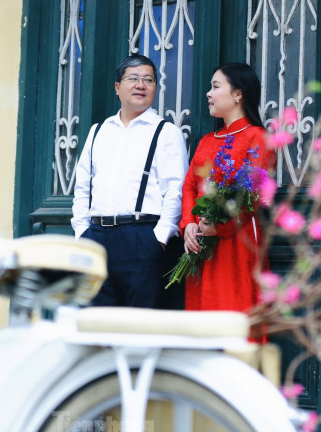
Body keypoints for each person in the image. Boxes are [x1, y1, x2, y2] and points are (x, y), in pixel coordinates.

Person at [71, 54, 188, 308]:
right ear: (117, 87)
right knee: (97, 319)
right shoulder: (98, 131)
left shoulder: (166, 132)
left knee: (140, 322)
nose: (141, 85)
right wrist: (82, 232)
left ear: (155, 88)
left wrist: (159, 238)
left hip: (142, 237)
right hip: (97, 237)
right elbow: (82, 188)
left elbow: (175, 190)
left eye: (149, 80)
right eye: (133, 78)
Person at [180, 63, 276, 311]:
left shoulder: (258, 138)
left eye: (215, 87)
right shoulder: (207, 141)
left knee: (235, 312)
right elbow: (189, 186)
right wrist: (189, 224)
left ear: (238, 94)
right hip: (201, 243)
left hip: (237, 242)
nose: (208, 93)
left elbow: (252, 196)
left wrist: (220, 226)